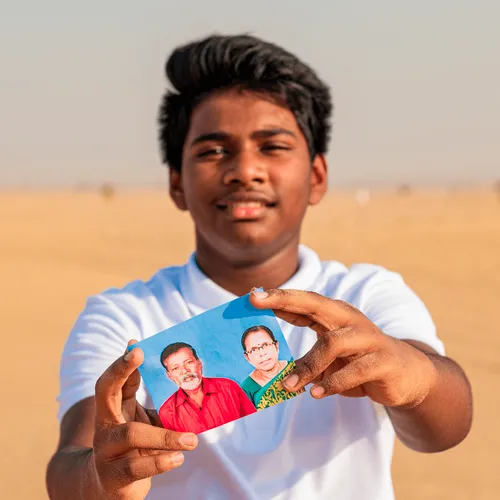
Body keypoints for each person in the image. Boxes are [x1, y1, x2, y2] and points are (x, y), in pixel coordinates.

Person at [46, 34, 473, 500]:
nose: (245, 170)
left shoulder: (366, 294)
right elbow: (72, 462)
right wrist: (101, 477)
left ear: (316, 176)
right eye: (213, 151)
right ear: (176, 184)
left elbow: (445, 427)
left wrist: (411, 376)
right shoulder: (124, 316)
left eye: (272, 146)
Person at [158, 342, 256, 433]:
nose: (184, 371)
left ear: (199, 363)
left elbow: (256, 423)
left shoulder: (229, 388)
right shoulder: (167, 413)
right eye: (175, 368)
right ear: (169, 375)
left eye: (188, 362)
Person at [240, 325, 303, 409]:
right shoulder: (245, 389)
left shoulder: (294, 368)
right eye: (254, 349)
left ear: (276, 346)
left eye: (265, 345)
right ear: (247, 357)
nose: (262, 353)